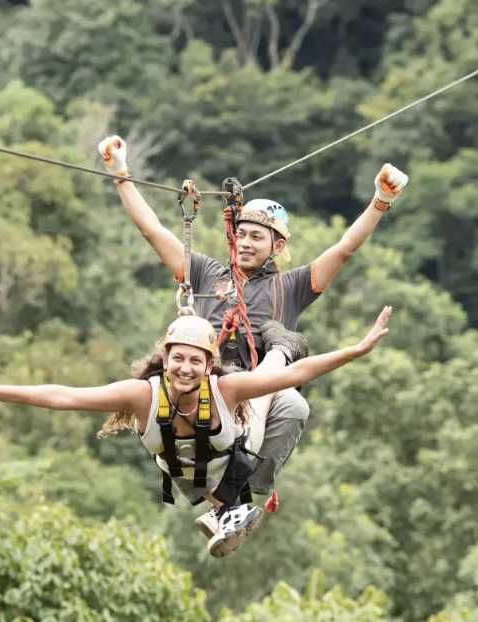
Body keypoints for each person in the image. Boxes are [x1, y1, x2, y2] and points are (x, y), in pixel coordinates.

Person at [97, 135, 408, 520]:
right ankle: (221, 495)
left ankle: (239, 494)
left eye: (256, 237)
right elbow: (154, 232)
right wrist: (121, 174)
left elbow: (343, 249)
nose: (245, 243)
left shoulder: (290, 287)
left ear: (277, 246)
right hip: (206, 391)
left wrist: (380, 202)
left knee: (293, 403)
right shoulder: (207, 273)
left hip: (254, 395)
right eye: (241, 234)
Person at [0, 306, 392, 557]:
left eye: (195, 361)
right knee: (267, 385)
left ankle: (281, 346)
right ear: (166, 359)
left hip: (237, 456)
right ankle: (226, 510)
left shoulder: (224, 387)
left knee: (276, 382)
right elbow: (65, 396)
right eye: (178, 359)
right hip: (197, 482)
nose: (185, 368)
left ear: (207, 364)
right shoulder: (142, 395)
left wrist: (356, 349)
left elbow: (306, 371)